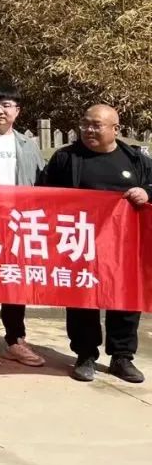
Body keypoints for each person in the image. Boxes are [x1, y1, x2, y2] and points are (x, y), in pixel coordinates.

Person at [39, 104, 151, 384]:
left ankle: (122, 357)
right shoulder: (66, 158)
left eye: (96, 125)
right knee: (82, 299)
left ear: (115, 128)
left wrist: (145, 192)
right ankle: (85, 355)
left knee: (124, 300)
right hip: (80, 242)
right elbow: (44, 193)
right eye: (85, 124)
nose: (88, 130)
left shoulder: (135, 159)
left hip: (124, 244)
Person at [0, 84, 46, 367]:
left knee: (15, 279)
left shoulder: (28, 145)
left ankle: (15, 339)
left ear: (17, 111)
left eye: (6, 105)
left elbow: (41, 183)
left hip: (19, 222)